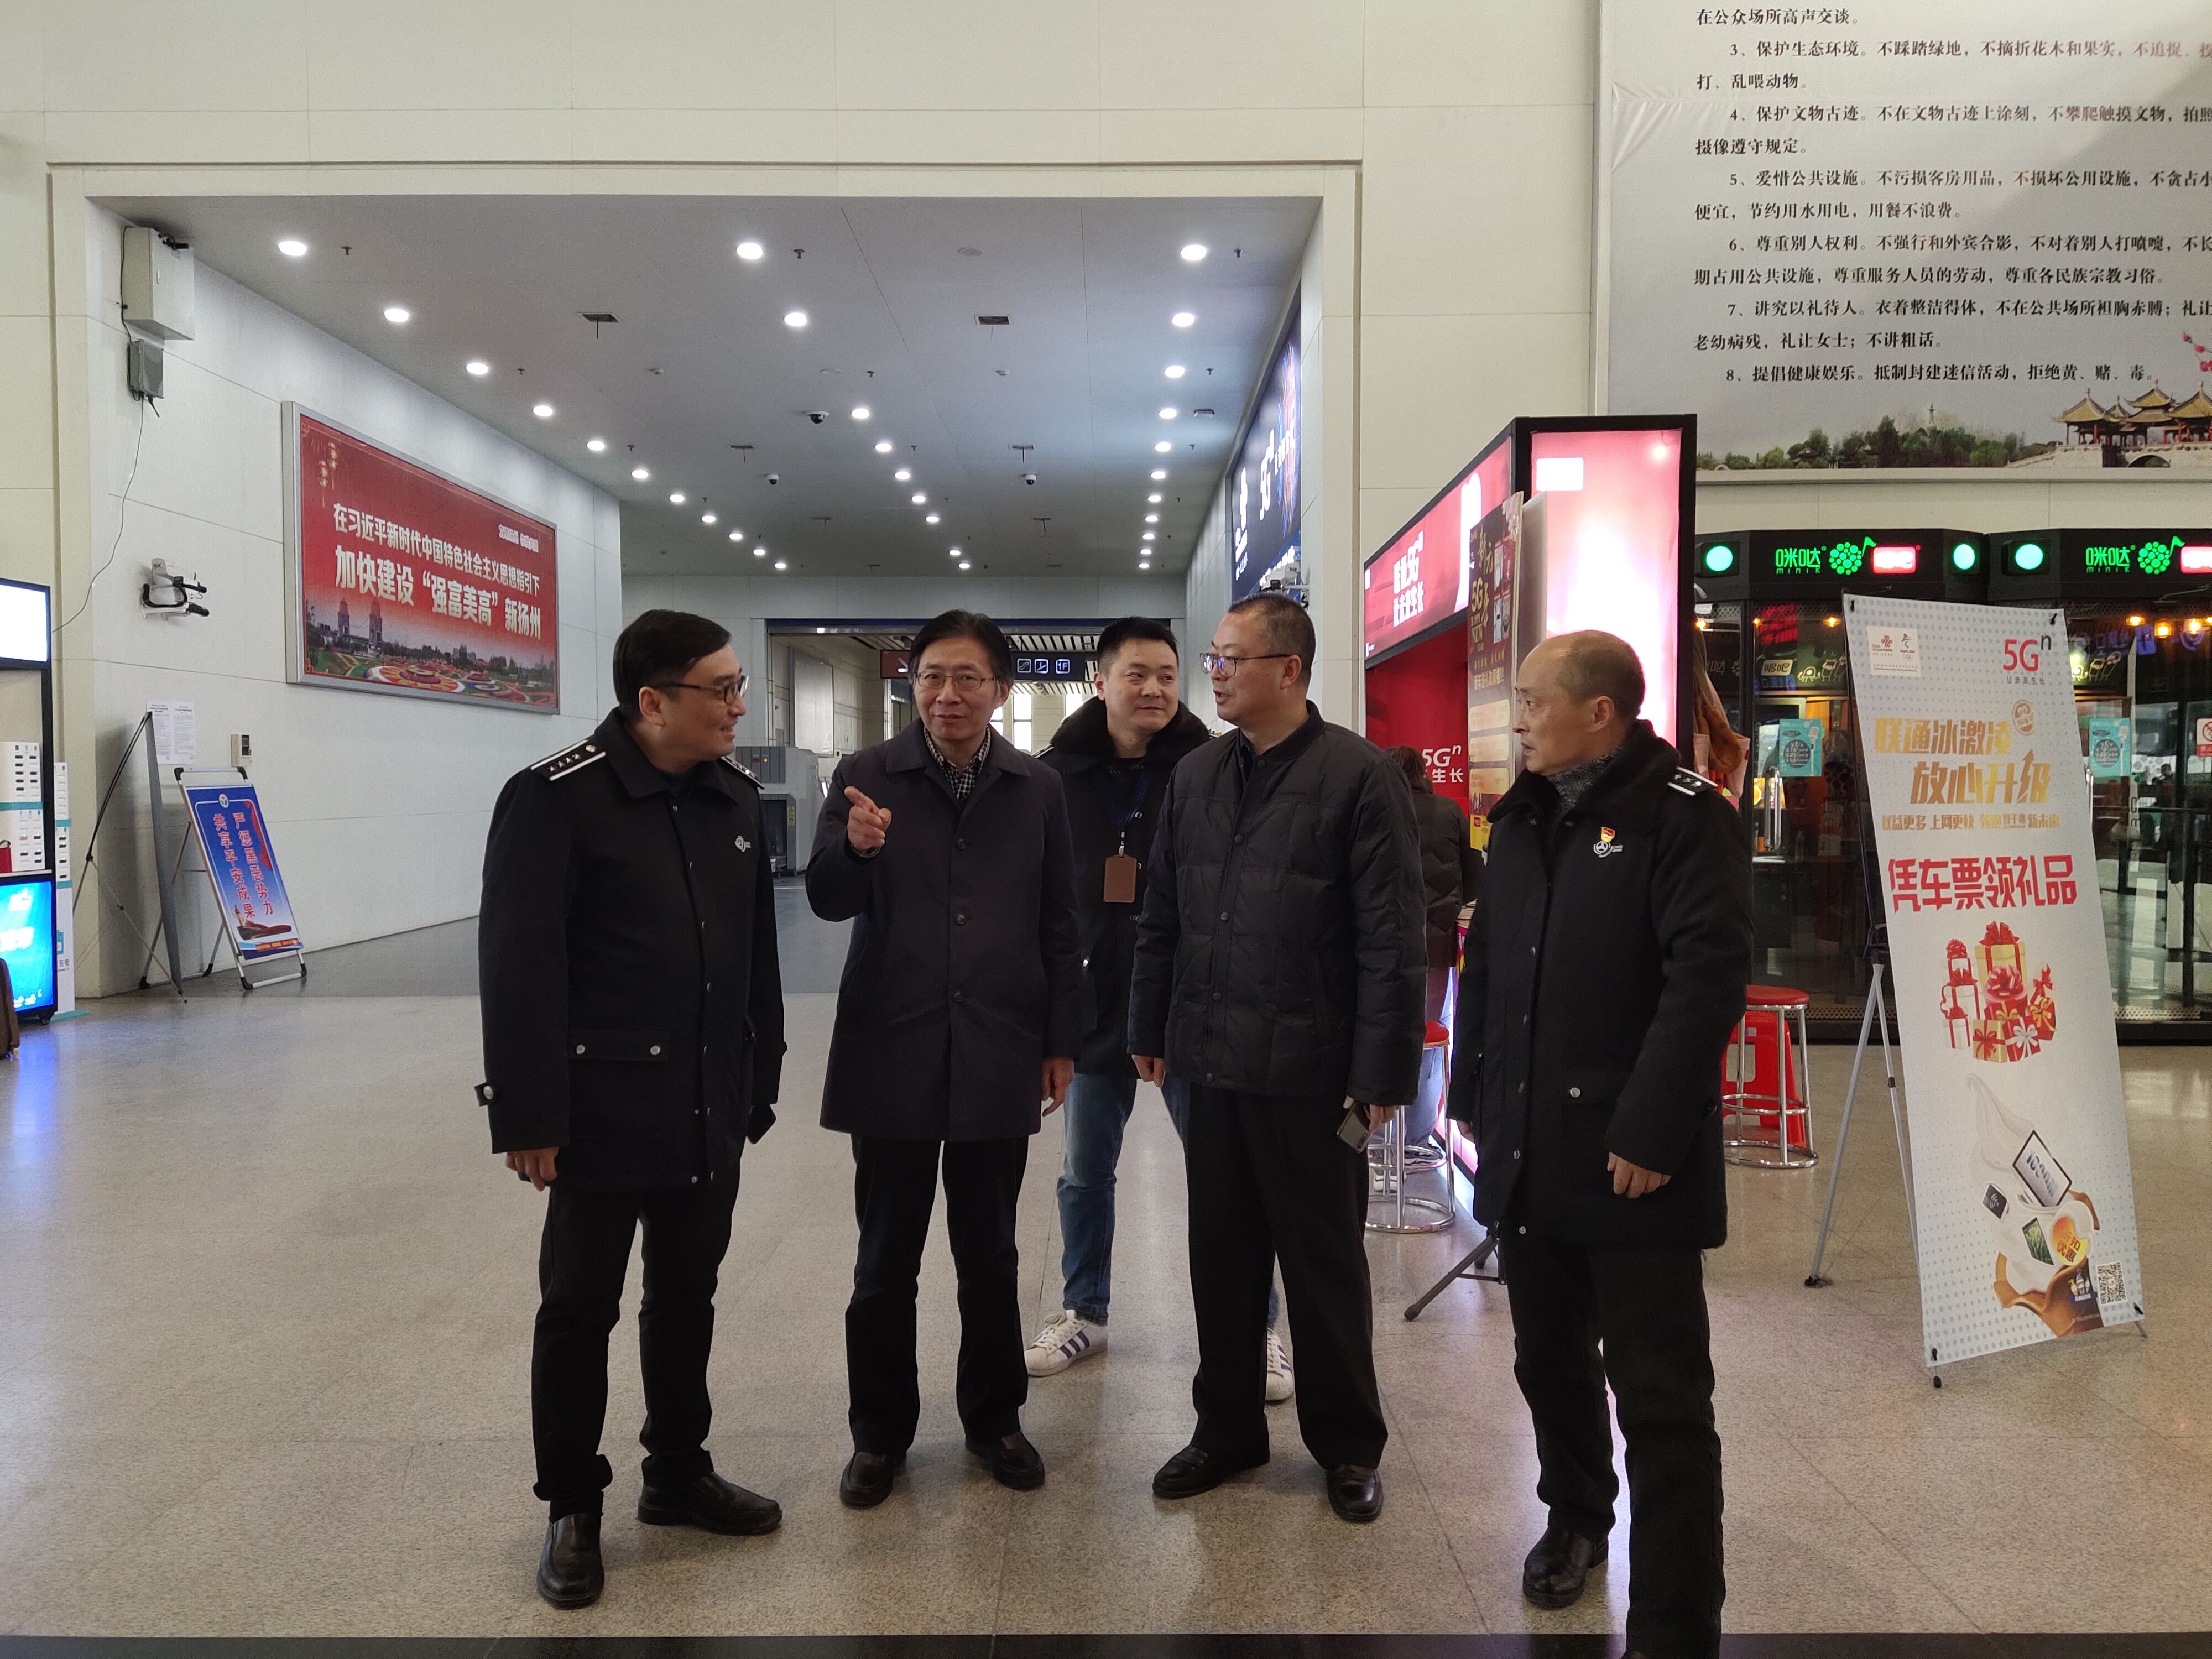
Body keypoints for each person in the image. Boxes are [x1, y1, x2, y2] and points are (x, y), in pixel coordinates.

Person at [1447, 630, 1750, 1659]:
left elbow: (1706, 980)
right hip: (1531, 1146)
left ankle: (1677, 1618)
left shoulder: (1684, 818)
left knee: (1661, 1398)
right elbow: (1489, 966)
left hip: (1632, 1161)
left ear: (1601, 713)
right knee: (1549, 1361)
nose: (1519, 719)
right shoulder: (1523, 817)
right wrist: (1473, 1096)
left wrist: (1654, 1131)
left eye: (1534, 702)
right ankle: (1575, 1516)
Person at [479, 609, 786, 1611]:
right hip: (601, 1108)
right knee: (580, 1308)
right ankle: (572, 1504)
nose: (738, 707)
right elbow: (519, 966)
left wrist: (760, 1076)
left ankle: (678, 1472)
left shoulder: (733, 799)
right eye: (721, 690)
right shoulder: (555, 798)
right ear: (653, 701)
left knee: (687, 1295)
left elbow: (755, 958)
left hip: (706, 1100)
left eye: (740, 687)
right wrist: (529, 1114)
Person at [1129, 592, 1426, 1525]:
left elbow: (1393, 936)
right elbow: (1163, 910)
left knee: (1323, 1263)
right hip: (1212, 1061)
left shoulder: (1359, 776)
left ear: (1289, 670)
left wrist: (1381, 1075)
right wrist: (1147, 1024)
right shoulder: (1196, 775)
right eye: (1212, 658)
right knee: (1220, 1260)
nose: (1214, 674)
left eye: (1232, 659)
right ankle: (1225, 1430)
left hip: (1315, 1073)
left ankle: (1348, 1446)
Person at [808, 608, 1083, 1509]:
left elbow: (1061, 922)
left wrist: (1060, 1042)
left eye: (968, 678)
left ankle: (994, 1419)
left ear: (1000, 689)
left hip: (999, 1047)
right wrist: (855, 851)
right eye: (931, 676)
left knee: (990, 1255)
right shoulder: (866, 775)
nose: (948, 694)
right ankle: (878, 1434)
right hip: (892, 1046)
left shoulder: (1037, 788)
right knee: (884, 1260)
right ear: (912, 684)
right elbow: (825, 898)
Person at [1024, 619, 1292, 1402]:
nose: (1154, 689)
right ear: (1101, 682)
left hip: (1190, 1004)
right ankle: (1085, 1309)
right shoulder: (1054, 777)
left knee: (1226, 1175)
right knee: (1084, 1172)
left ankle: (1259, 1327)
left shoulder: (1215, 766)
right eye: (1137, 674)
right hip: (1092, 1004)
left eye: (1168, 676)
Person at [1385, 745, 1480, 1022]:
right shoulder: (1449, 810)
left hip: (1387, 933)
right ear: (1423, 773)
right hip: (1439, 933)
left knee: (1389, 1016)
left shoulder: (1379, 810)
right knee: (1430, 1024)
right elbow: (1474, 871)